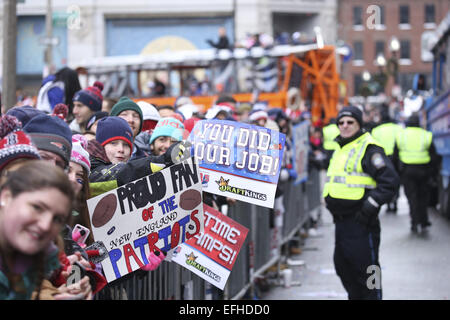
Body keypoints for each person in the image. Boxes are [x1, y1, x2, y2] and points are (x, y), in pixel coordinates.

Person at [322, 106, 399, 300]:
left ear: (359, 124)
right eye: (341, 122)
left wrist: (370, 206)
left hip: (361, 223)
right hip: (341, 224)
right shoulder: (342, 147)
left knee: (369, 276)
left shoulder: (369, 148)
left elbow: (390, 181)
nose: (345, 126)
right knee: (344, 268)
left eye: (350, 122)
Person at [0, 161, 86, 300]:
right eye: (37, 208)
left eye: (57, 219)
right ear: (6, 197)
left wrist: (56, 293)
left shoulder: (37, 259)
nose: (45, 225)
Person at [393, 114, 439, 234]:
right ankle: (423, 221)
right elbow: (433, 156)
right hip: (424, 170)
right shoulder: (426, 135)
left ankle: (414, 222)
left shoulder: (401, 136)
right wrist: (433, 173)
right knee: (423, 197)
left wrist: (397, 172)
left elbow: (395, 156)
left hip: (407, 171)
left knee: (412, 197)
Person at [371, 110, 402, 213]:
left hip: (382, 159)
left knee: (385, 181)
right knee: (395, 179)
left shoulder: (376, 130)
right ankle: (395, 201)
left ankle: (388, 203)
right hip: (396, 158)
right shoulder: (398, 129)